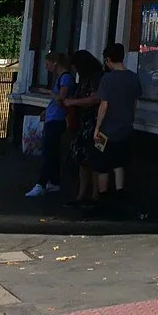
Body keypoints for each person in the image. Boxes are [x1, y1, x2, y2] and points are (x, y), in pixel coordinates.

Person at [90, 42, 141, 214]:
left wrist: (97, 127)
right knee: (120, 162)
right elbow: (134, 102)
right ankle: (120, 193)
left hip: (106, 130)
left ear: (108, 59)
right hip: (125, 128)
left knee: (102, 164)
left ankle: (102, 197)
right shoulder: (133, 77)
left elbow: (104, 105)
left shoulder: (108, 79)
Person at [59, 50, 103, 208]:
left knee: (94, 160)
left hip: (93, 123)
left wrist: (74, 103)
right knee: (82, 160)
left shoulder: (97, 77)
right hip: (82, 123)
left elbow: (95, 98)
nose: (76, 70)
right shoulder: (85, 78)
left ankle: (95, 196)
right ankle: (81, 195)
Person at [26, 53, 73, 199]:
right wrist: (47, 111)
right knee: (52, 153)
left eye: (47, 63)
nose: (46, 67)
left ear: (55, 63)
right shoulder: (61, 78)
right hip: (52, 117)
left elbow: (61, 100)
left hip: (57, 120)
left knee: (48, 152)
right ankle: (54, 181)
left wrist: (48, 92)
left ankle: (41, 183)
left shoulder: (65, 78)